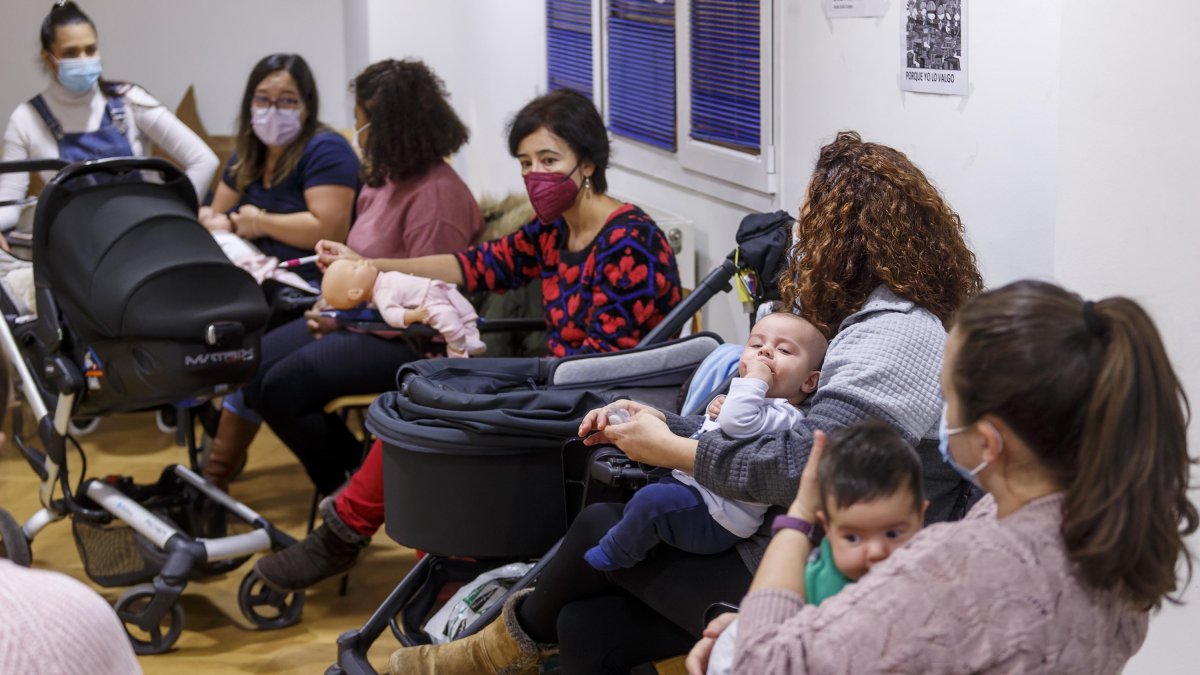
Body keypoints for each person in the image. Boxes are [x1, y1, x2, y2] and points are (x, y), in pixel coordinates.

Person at [386, 130, 984, 675]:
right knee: (583, 626)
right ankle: (496, 649)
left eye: (813, 226)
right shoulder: (871, 320)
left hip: (842, 575)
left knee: (599, 530)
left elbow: (805, 463)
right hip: (789, 539)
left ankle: (487, 653)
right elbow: (767, 425)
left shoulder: (896, 333)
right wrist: (668, 423)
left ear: (845, 236)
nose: (805, 243)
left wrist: (675, 449)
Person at [252, 88, 683, 593]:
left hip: (594, 410)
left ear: (587, 162)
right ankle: (413, 567)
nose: (534, 175)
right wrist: (369, 267)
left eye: (549, 159)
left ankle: (385, 555)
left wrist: (524, 388)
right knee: (416, 399)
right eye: (525, 163)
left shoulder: (630, 240)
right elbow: (472, 266)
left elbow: (615, 366)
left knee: (435, 421)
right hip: (556, 388)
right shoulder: (552, 229)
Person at [692, 280, 1198, 674]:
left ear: (989, 441)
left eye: (947, 396)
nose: (942, 413)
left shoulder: (954, 567)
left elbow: (760, 664)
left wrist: (800, 516)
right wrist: (765, 624)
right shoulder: (1113, 535)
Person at [201, 59, 480, 489]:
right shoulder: (383, 180)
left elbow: (428, 300)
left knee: (283, 390)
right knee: (252, 372)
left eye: (361, 125)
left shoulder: (438, 197)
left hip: (405, 341)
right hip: (356, 319)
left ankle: (352, 490)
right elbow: (365, 262)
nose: (356, 136)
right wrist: (333, 296)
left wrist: (343, 313)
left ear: (392, 128)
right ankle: (354, 483)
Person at [585, 312, 827, 571]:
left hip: (719, 516)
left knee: (650, 503)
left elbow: (736, 422)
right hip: (698, 489)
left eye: (784, 350)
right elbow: (706, 430)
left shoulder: (786, 416)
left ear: (809, 381)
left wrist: (753, 380)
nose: (765, 353)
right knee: (637, 496)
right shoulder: (749, 400)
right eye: (756, 345)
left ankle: (616, 555)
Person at [704, 420, 926, 675]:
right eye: (852, 538)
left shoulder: (932, 576)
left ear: (920, 517)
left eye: (893, 533)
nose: (875, 552)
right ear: (827, 529)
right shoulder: (810, 577)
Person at [0, 1, 218, 233]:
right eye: (71, 53)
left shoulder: (130, 101)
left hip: (142, 237)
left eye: (90, 50)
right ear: (48, 57)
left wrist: (171, 219)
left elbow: (204, 161)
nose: (84, 59)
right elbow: (9, 202)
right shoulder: (26, 120)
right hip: (79, 244)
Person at [197, 53, 358, 282]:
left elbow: (329, 231)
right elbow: (218, 214)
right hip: (248, 275)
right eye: (262, 99)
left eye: (286, 100)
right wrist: (206, 217)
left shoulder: (327, 150)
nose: (272, 110)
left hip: (308, 283)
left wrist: (259, 223)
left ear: (307, 105)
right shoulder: (248, 152)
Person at [320, 258, 486, 357]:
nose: (361, 262)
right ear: (355, 293)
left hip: (434, 288)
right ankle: (457, 349)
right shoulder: (381, 295)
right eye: (355, 268)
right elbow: (392, 315)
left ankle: (470, 337)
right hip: (427, 303)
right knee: (448, 317)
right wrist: (412, 315)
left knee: (465, 310)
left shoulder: (382, 280)